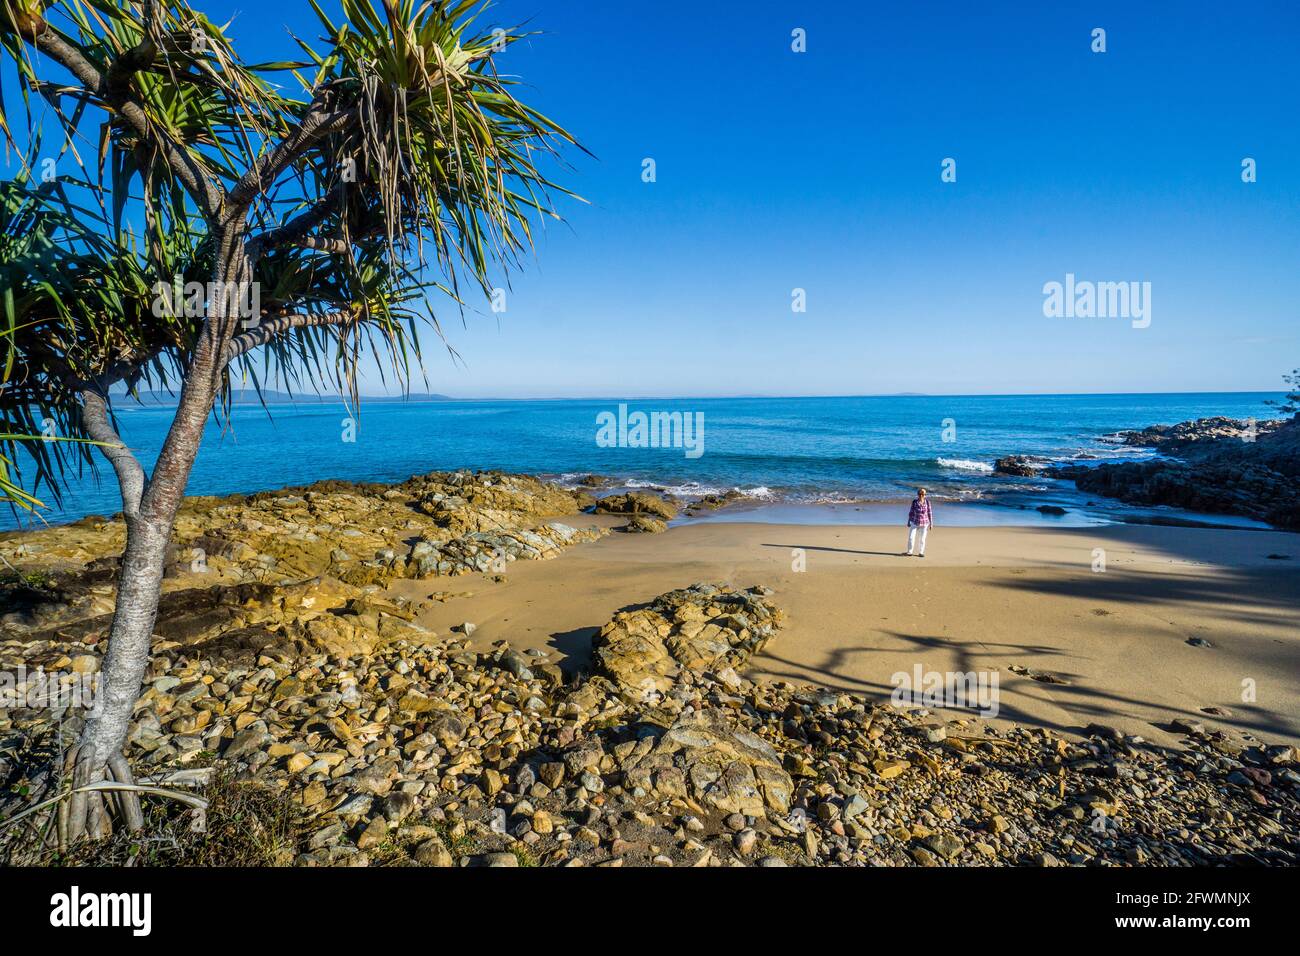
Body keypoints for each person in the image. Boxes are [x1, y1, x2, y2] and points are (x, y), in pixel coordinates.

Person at [905, 487, 933, 557]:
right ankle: (910, 552)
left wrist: (931, 523)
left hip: (925, 523)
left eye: (923, 494)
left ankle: (921, 552)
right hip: (915, 522)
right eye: (919, 494)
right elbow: (911, 512)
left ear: (925, 495)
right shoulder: (914, 502)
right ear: (918, 494)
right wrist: (909, 521)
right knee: (911, 537)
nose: (921, 495)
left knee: (922, 539)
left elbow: (930, 513)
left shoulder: (927, 502)